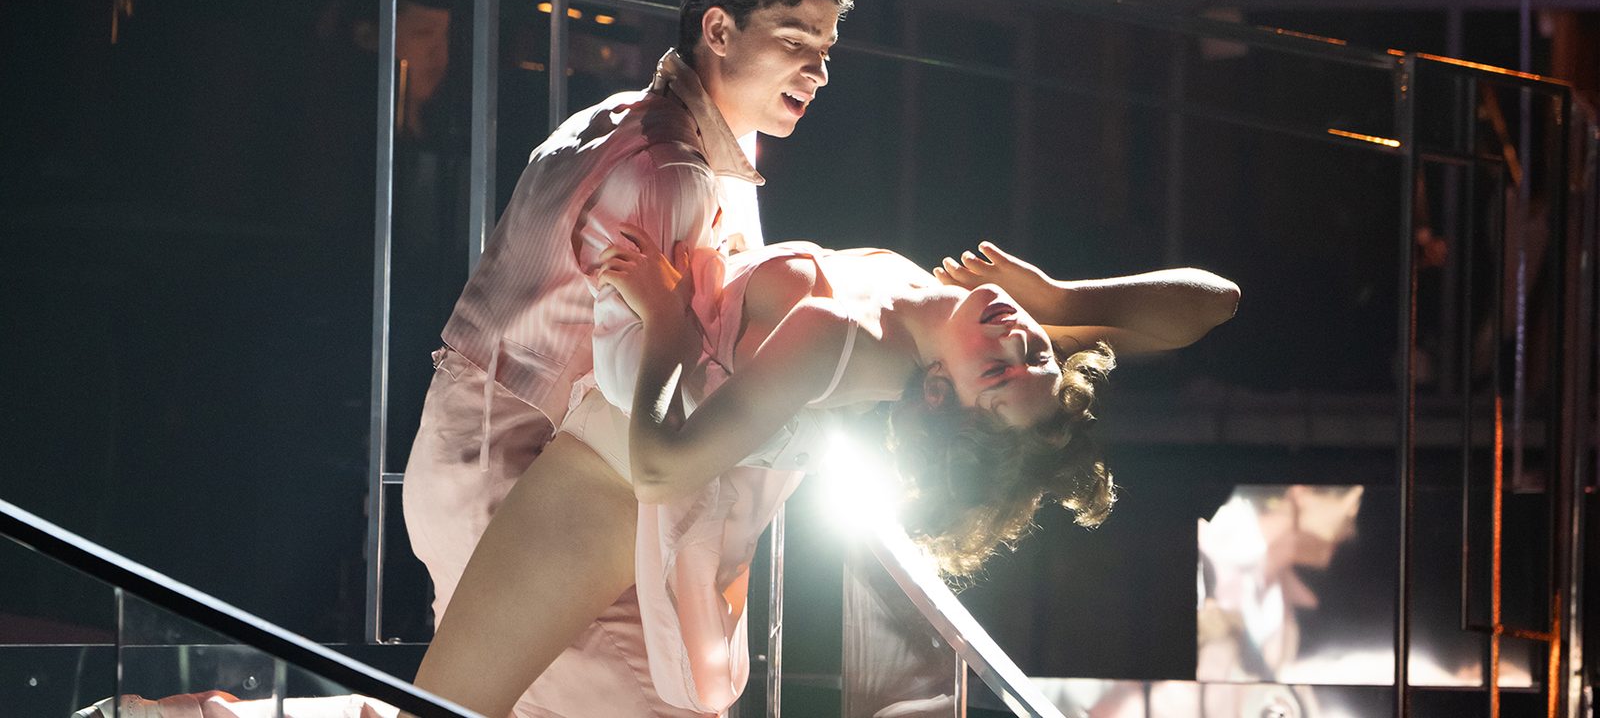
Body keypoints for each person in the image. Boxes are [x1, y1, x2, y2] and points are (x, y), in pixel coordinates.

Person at [413, 231, 1239, 718]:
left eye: (1002, 370)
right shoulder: (962, 309)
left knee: (439, 705)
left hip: (611, 478)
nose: (1017, 335)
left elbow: (662, 469)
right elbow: (1214, 302)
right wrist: (1057, 294)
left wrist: (664, 318)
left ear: (937, 396)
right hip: (601, 425)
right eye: (1038, 352)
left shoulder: (847, 337)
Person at [400, 0, 855, 711]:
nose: (817, 71)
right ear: (718, 30)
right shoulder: (668, 167)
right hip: (525, 476)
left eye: (826, 47)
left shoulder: (631, 120)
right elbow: (629, 381)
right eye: (796, 42)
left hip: (507, 465)